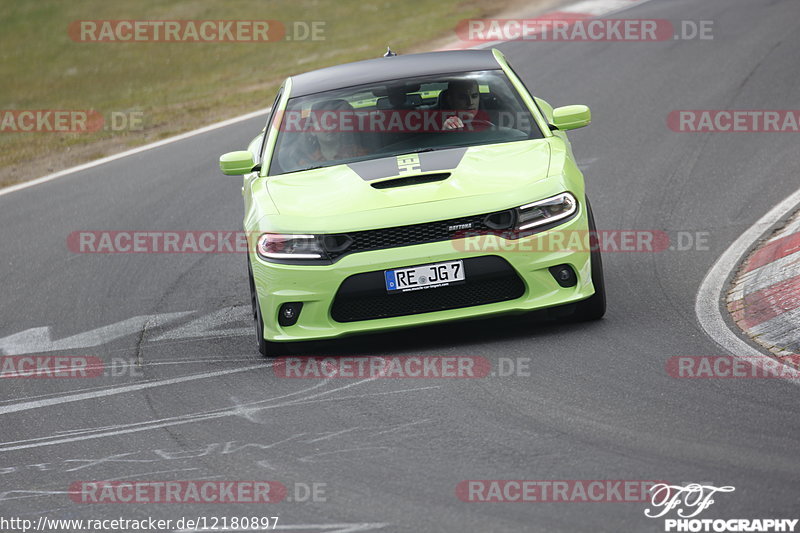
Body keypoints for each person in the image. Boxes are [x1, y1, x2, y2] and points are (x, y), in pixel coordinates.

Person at [294, 99, 368, 167]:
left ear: (342, 127)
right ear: (313, 130)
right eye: (323, 124)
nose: (329, 128)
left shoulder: (357, 154)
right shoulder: (306, 162)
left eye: (334, 123)